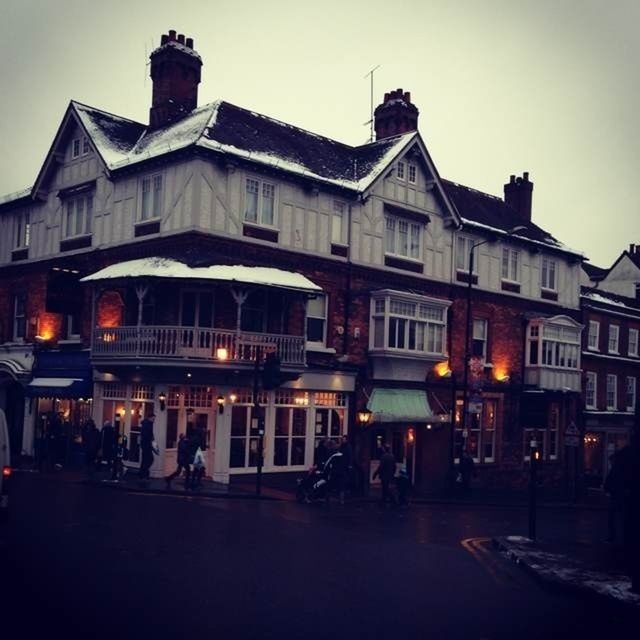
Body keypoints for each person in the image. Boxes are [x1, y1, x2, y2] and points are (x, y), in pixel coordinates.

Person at [138, 413, 156, 480]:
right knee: (150, 459)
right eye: (153, 419)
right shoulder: (147, 425)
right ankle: (144, 473)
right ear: (150, 418)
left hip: (146, 444)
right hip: (146, 445)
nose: (154, 420)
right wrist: (151, 440)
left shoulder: (147, 424)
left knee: (145, 459)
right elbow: (146, 435)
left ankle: (142, 473)